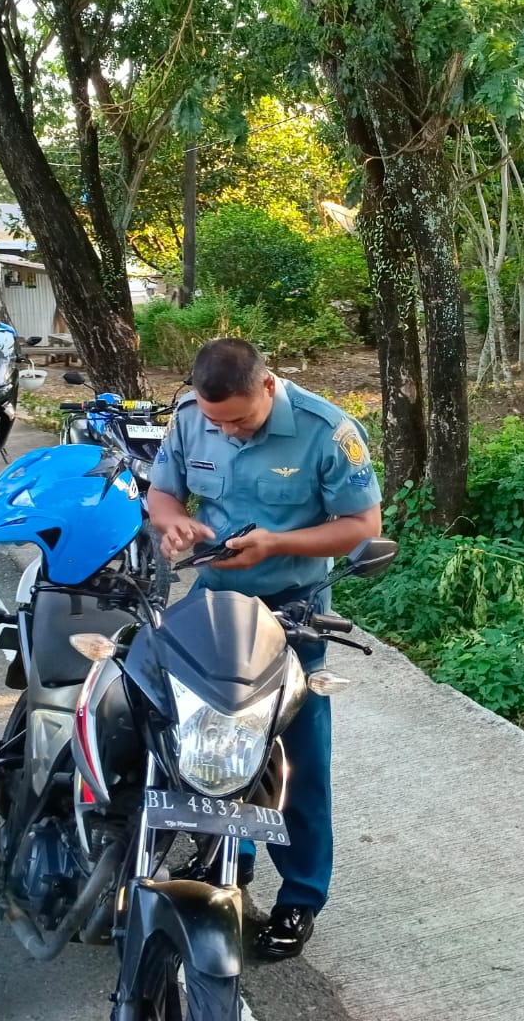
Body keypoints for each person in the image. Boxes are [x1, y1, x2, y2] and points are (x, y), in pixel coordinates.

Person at [147, 338, 382, 961]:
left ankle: (300, 896)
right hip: (214, 607)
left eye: (240, 420)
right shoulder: (191, 418)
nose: (225, 431)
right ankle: (230, 856)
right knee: (204, 744)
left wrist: (277, 544)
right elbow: (162, 494)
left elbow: (363, 528)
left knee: (295, 762)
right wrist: (173, 523)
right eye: (214, 421)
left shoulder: (328, 432)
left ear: (269, 385)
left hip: (292, 614)